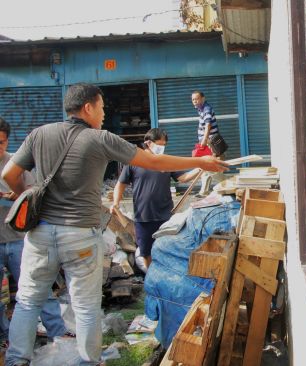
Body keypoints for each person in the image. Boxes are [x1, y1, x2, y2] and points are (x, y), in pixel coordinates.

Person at [1, 83, 228, 366]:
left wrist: (23, 192)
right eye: (102, 107)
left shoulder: (39, 134)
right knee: (84, 305)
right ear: (87, 108)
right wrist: (202, 163)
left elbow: (10, 173)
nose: (104, 113)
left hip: (41, 233)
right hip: (80, 235)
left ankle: (16, 361)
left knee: (27, 301)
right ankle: (88, 362)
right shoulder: (100, 138)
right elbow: (151, 161)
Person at [0, 118, 69, 350]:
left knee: (37, 291)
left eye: (0, 142)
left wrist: (16, 195)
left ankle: (57, 334)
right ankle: (5, 336)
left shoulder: (15, 162)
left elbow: (33, 192)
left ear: (7, 140)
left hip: (18, 239)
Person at [111, 128, 201, 269]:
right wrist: (115, 203)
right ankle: (151, 278)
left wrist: (201, 166)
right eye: (159, 145)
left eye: (164, 145)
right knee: (146, 253)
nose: (162, 148)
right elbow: (120, 184)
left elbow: (184, 178)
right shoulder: (134, 162)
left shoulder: (166, 161)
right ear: (148, 143)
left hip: (165, 216)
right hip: (143, 217)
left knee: (167, 250)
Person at [191, 90, 224, 196]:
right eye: (193, 99)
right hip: (207, 141)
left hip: (210, 142)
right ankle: (204, 191)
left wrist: (204, 140)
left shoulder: (206, 109)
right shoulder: (201, 109)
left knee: (212, 166)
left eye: (197, 99)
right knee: (205, 165)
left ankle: (225, 184)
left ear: (203, 99)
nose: (195, 101)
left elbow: (208, 125)